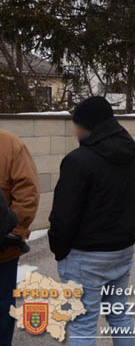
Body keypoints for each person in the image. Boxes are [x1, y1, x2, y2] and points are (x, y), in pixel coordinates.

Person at [49, 96, 135, 346]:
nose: (74, 131)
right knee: (119, 314)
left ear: (86, 126)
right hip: (122, 250)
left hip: (85, 256)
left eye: (76, 125)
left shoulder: (77, 161)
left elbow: (64, 215)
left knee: (83, 324)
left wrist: (59, 250)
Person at [0, 130, 39, 346]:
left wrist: (12, 233)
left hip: (3, 250)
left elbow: (28, 192)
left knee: (2, 307)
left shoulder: (9, 144)